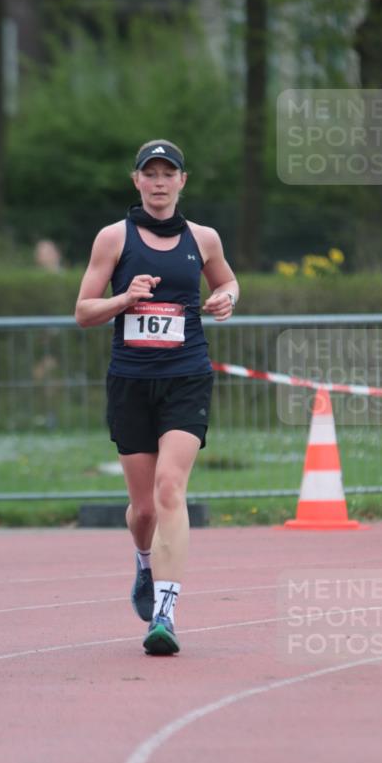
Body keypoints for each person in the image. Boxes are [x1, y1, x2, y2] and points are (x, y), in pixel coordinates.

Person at [75, 140, 239, 656]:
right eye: (152, 173)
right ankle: (144, 563)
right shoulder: (113, 238)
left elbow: (229, 281)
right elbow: (83, 310)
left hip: (187, 376)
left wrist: (226, 299)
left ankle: (164, 614)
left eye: (170, 173)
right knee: (143, 508)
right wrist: (125, 298)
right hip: (131, 381)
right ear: (137, 181)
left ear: (183, 182)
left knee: (172, 489)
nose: (161, 181)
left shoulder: (204, 238)